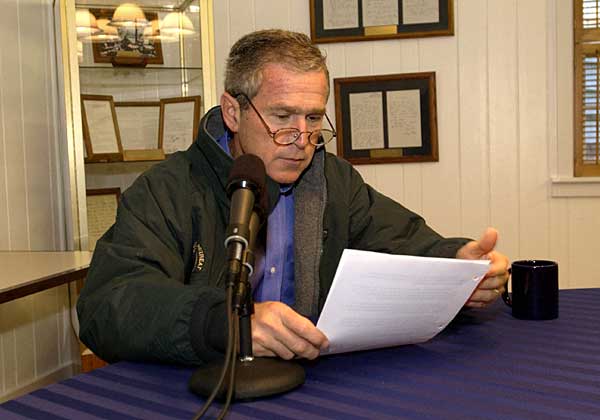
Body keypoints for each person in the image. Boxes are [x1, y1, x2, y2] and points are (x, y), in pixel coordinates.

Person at [77, 29, 510, 365]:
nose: (302, 139)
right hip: (197, 383)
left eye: (314, 118)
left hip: (311, 381)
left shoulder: (334, 181)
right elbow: (107, 305)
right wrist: (224, 323)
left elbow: (408, 244)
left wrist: (459, 266)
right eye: (283, 117)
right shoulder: (166, 190)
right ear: (233, 112)